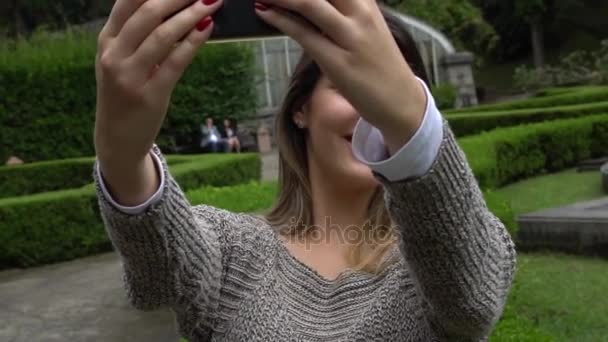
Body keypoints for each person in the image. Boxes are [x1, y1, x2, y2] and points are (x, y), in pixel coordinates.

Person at [92, 1, 517, 341]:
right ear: (301, 110)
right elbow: (158, 273)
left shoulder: (447, 252)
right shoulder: (231, 251)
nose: (372, 113)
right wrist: (123, 156)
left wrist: (409, 126)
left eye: (390, 98)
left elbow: (472, 304)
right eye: (347, 88)